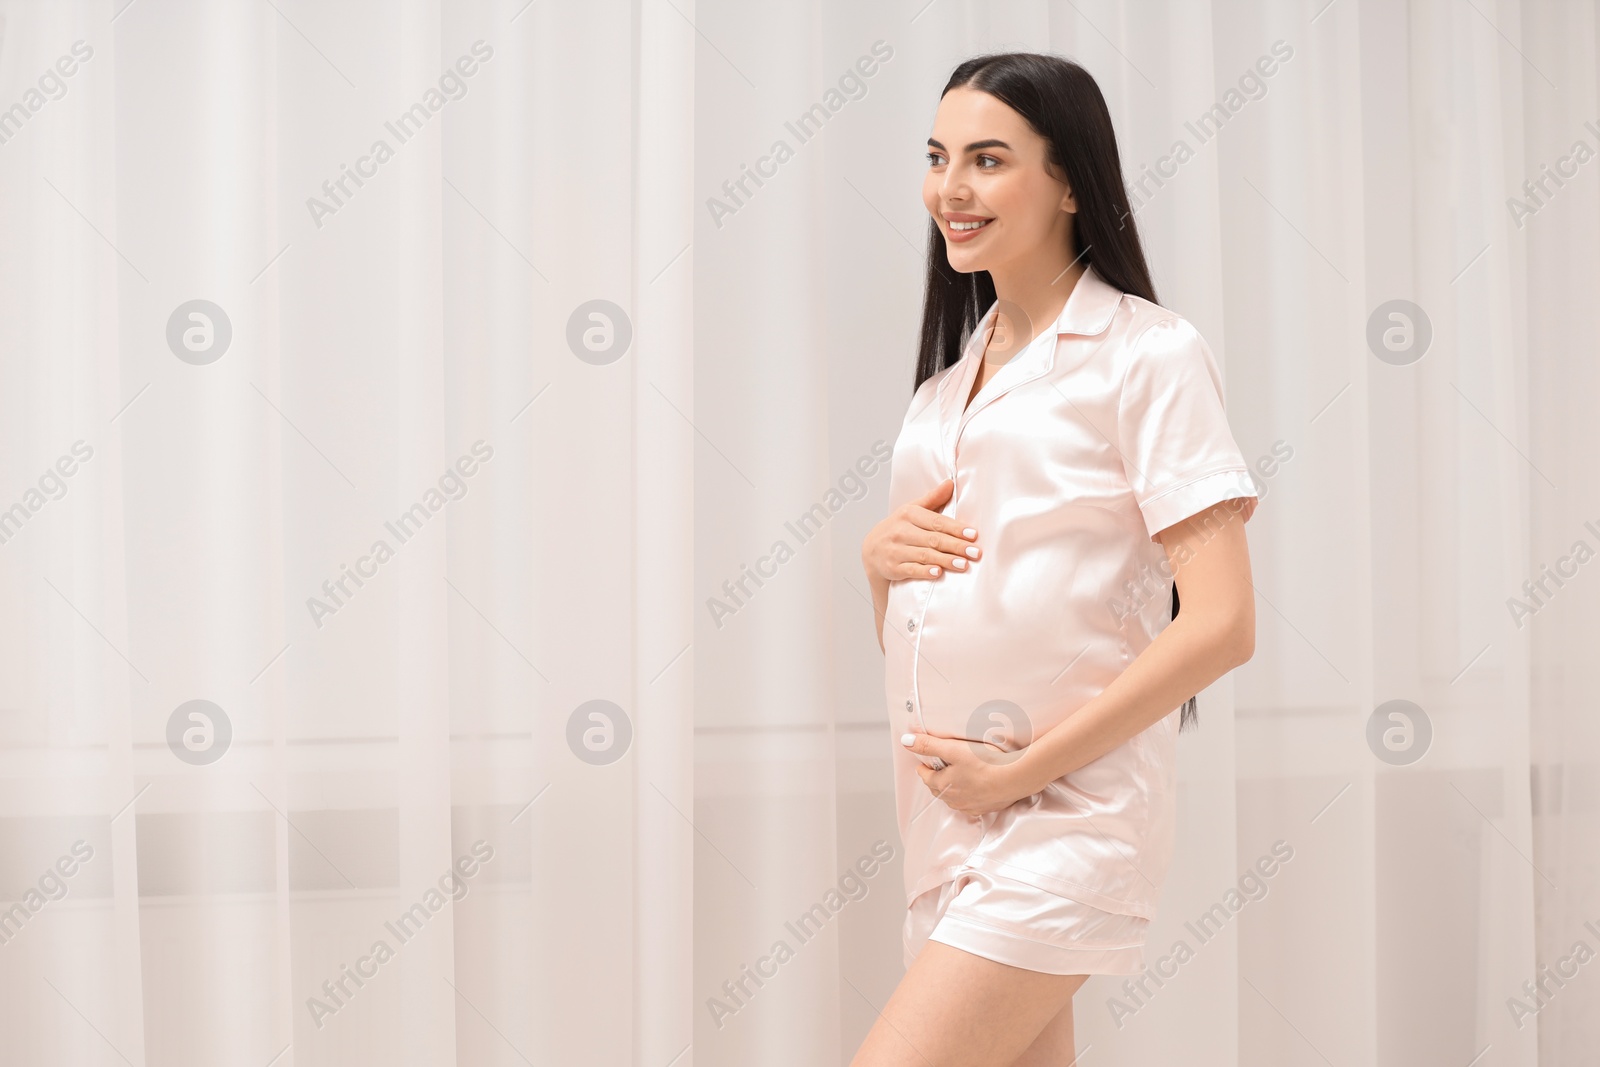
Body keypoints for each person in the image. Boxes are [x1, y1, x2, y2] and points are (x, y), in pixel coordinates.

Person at [855, 52, 1259, 1066]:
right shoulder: (943, 392)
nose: (951, 188)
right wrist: (877, 565)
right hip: (948, 816)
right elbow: (929, 626)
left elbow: (1220, 623)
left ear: (1071, 180)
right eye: (938, 156)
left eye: (988, 160)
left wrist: (1021, 772)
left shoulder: (1147, 357)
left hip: (1062, 813)